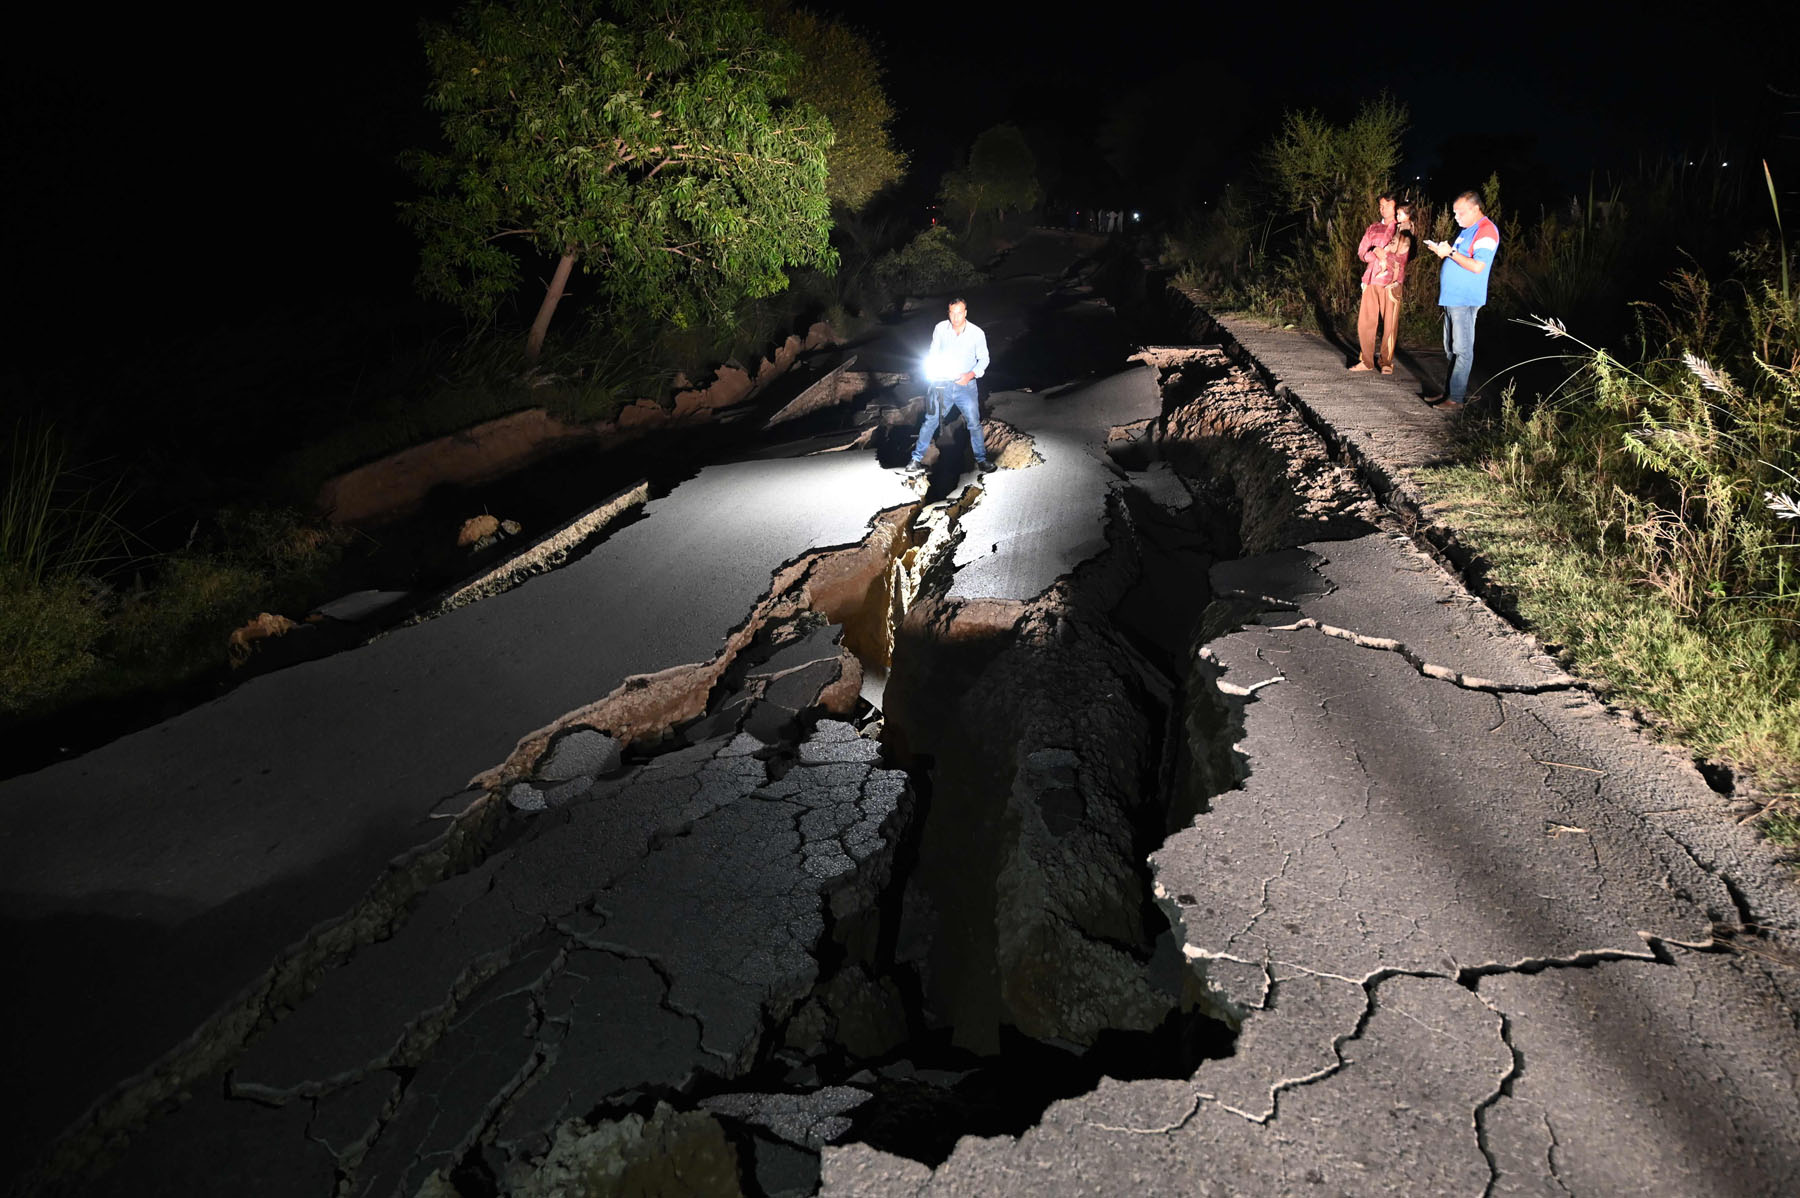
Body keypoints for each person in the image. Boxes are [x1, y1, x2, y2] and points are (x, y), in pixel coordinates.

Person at [1424, 191, 1500, 409]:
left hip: (1465, 298)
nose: (1456, 216)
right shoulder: (1468, 230)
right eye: (1455, 212)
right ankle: (1450, 392)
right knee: (1451, 349)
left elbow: (1477, 266)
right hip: (1452, 298)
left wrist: (1450, 254)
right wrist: (1443, 251)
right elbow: (1459, 257)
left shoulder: (1486, 231)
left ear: (1475, 209)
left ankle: (1456, 398)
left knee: (1462, 350)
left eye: (1460, 212)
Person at [906, 297, 993, 475]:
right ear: (949, 312)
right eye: (952, 313)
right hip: (941, 384)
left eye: (959, 312)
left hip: (966, 386)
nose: (955, 317)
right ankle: (915, 460)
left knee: (974, 424)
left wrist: (970, 374)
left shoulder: (976, 333)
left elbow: (984, 359)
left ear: (965, 313)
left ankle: (981, 460)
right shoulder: (940, 328)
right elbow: (933, 352)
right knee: (930, 421)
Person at [1350, 194, 1406, 373]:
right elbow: (1362, 252)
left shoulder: (1403, 228)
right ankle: (1366, 361)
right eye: (1381, 205)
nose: (1383, 209)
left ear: (1395, 207)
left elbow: (1405, 255)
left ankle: (1386, 361)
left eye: (1387, 206)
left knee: (1390, 323)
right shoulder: (1374, 227)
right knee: (1366, 321)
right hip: (1371, 279)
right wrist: (1375, 253)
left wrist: (1387, 255)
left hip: (1391, 282)